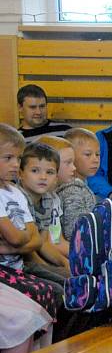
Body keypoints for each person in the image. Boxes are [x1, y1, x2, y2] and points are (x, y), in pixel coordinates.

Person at [0, 124, 63, 327]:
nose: (14, 165)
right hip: (8, 270)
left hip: (17, 265)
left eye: (17, 159)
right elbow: (20, 238)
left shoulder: (15, 193)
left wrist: (8, 247)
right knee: (53, 293)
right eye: (8, 158)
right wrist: (20, 240)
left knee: (69, 287)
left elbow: (35, 239)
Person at [18, 141, 70, 279]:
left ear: (56, 177)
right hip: (19, 261)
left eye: (50, 172)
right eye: (35, 171)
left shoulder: (49, 199)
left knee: (72, 272)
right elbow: (27, 250)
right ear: (20, 173)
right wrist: (49, 270)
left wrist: (64, 262)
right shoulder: (18, 199)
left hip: (34, 259)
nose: (43, 177)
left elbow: (43, 243)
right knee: (64, 282)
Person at [58, 128, 100, 241]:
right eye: (88, 154)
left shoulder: (82, 185)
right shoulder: (72, 191)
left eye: (97, 154)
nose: (95, 159)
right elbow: (75, 233)